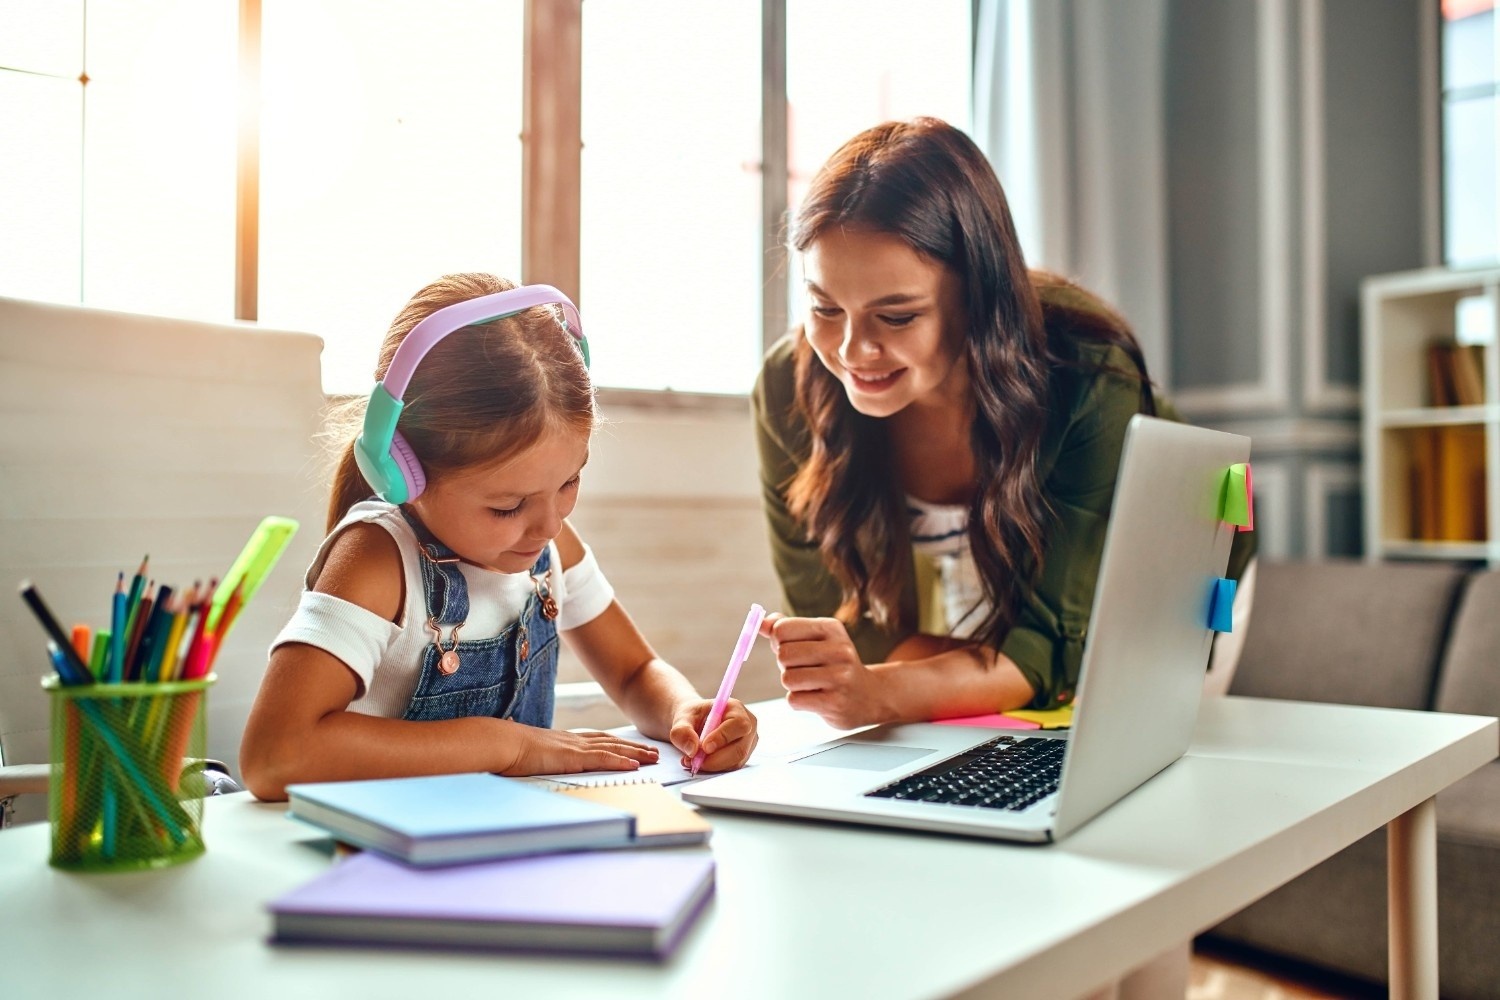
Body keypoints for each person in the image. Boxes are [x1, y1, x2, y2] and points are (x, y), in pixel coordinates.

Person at [754, 116, 1254, 732]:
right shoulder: (789, 388)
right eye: (825, 307)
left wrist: (892, 688)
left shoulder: (1086, 370)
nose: (853, 350)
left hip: (1160, 586)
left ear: (979, 298)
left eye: (898, 316)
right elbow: (832, 630)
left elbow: (1055, 648)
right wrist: (900, 679)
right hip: (1003, 604)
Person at [241, 273, 757, 801]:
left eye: (570, 482)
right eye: (508, 506)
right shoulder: (376, 561)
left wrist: (685, 710)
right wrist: (507, 746)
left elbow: (634, 671)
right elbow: (274, 756)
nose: (550, 525)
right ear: (404, 472)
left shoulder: (552, 547)